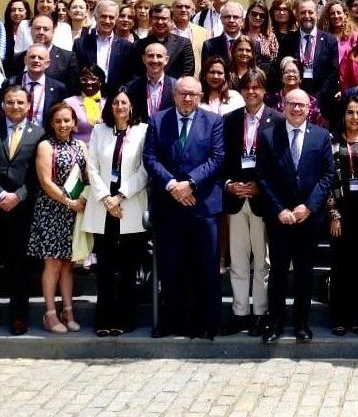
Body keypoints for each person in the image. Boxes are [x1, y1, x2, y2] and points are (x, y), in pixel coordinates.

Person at [143, 76, 225, 340]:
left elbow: (217, 158)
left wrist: (190, 184)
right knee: (171, 267)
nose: (188, 98)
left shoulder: (213, 122)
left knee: (206, 267)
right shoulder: (157, 120)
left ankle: (206, 324)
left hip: (202, 207)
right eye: (183, 94)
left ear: (200, 96)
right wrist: (172, 186)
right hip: (169, 207)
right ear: (174, 94)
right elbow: (150, 158)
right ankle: (171, 322)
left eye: (193, 94)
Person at [256, 89, 334, 343]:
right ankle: (275, 323)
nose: (297, 109)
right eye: (292, 104)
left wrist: (309, 207)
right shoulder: (268, 136)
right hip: (280, 218)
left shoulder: (321, 137)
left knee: (304, 272)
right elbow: (263, 177)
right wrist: (279, 209)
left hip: (308, 218)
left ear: (309, 108)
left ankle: (301, 323)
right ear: (284, 105)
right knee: (277, 271)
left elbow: (327, 176)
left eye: (301, 105)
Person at [219, 70, 283, 337]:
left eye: (257, 88)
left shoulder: (277, 121)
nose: (251, 92)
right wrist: (227, 185)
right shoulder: (230, 120)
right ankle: (240, 312)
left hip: (262, 199)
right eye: (247, 88)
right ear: (241, 91)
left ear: (264, 90)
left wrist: (261, 186)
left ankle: (260, 313)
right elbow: (220, 158)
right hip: (236, 199)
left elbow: (281, 163)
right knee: (238, 260)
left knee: (262, 261)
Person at [84, 89, 148, 336]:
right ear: (109, 106)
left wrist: (120, 196)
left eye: (124, 102)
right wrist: (106, 199)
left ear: (131, 106)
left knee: (128, 267)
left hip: (129, 205)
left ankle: (125, 319)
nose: (119, 106)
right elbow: (92, 166)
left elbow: (143, 169)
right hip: (103, 207)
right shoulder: (99, 131)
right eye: (115, 102)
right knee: (106, 268)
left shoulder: (142, 131)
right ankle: (103, 320)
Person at [27, 102, 89, 334]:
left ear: (74, 123)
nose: (63, 125)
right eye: (58, 121)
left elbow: (86, 175)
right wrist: (68, 202)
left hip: (74, 212)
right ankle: (50, 313)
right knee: (52, 263)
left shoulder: (81, 145)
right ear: (51, 124)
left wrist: (83, 198)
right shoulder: (45, 146)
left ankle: (68, 311)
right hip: (52, 210)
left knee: (67, 264)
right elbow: (46, 182)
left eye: (67, 120)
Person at [0, 86, 46, 335]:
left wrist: (19, 195)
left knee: (20, 265)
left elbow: (40, 175)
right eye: (10, 102)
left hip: (23, 208)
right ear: (3, 105)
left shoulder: (39, 134)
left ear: (28, 106)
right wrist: (0, 194)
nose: (15, 107)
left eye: (19, 103)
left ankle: (19, 316)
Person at [326, 96, 358, 336]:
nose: (355, 117)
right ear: (342, 115)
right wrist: (334, 214)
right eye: (350, 112)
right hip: (340, 215)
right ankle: (338, 317)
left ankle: (357, 316)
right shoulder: (332, 141)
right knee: (340, 267)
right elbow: (328, 179)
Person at [278, 0, 340, 120]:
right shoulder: (289, 40)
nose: (307, 16)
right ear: (297, 15)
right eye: (303, 12)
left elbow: (334, 72)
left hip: (322, 102)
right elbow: (281, 69)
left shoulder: (329, 40)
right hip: (293, 101)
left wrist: (315, 99)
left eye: (310, 12)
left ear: (317, 13)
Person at [72, 0, 133, 96]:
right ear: (96, 17)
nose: (107, 21)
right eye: (103, 16)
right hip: (87, 98)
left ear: (116, 19)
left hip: (114, 100)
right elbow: (75, 75)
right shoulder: (80, 44)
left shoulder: (126, 46)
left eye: (111, 17)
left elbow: (129, 76)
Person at [0, 43, 68, 128]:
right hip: (14, 133)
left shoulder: (59, 88)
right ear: (25, 60)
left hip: (44, 137)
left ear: (47, 63)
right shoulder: (11, 83)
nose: (36, 60)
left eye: (40, 58)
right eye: (32, 57)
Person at [132, 3, 195, 79]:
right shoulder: (138, 45)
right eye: (156, 18)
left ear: (171, 20)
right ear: (150, 20)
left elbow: (187, 73)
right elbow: (134, 73)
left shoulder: (184, 44)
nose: (160, 22)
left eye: (164, 18)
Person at [124, 43, 176, 123]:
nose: (155, 60)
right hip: (140, 133)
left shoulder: (176, 86)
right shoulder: (131, 87)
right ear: (144, 59)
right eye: (151, 56)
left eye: (159, 56)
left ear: (166, 60)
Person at [264, 56, 322, 125]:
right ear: (281, 77)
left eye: (294, 72)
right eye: (287, 72)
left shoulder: (311, 101)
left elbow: (317, 127)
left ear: (301, 77)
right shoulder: (271, 100)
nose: (291, 74)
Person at [63, 64, 107, 144]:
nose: (89, 82)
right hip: (78, 151)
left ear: (100, 81)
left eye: (93, 79)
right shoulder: (69, 103)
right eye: (84, 79)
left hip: (102, 151)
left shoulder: (108, 104)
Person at [170, 0, 208, 79]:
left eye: (187, 7)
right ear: (172, 9)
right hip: (169, 83)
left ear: (192, 10)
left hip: (196, 83)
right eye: (179, 6)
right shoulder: (164, 31)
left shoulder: (203, 33)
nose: (183, 10)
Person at [243, 0, 279, 72]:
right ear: (248, 14)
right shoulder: (240, 34)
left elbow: (274, 60)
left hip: (264, 76)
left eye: (262, 15)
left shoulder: (270, 37)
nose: (258, 17)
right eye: (254, 14)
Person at [318, 0, 357, 64]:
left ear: (345, 15)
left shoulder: (353, 35)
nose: (336, 16)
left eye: (339, 13)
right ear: (328, 16)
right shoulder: (323, 36)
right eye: (332, 13)